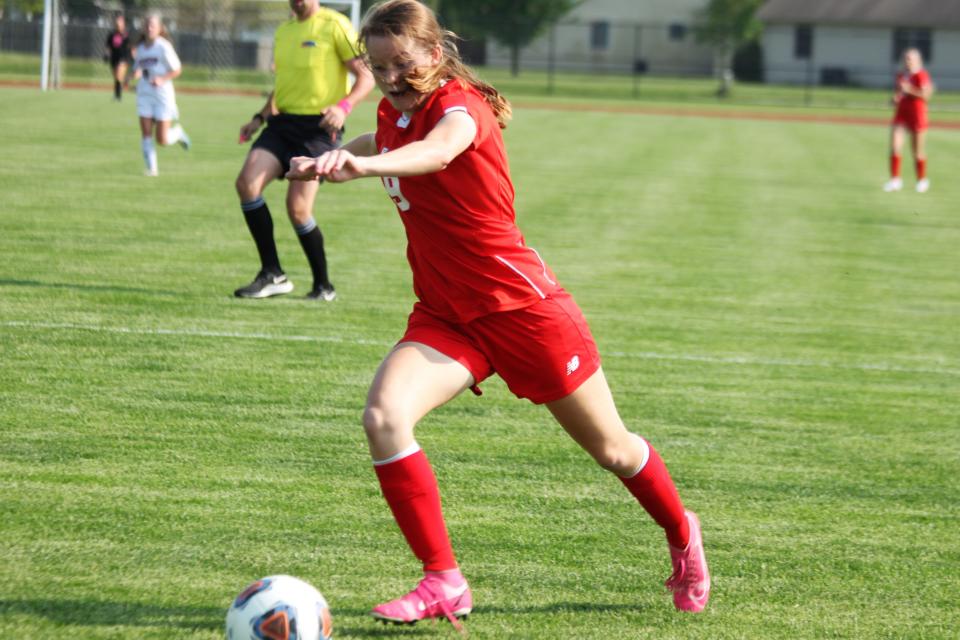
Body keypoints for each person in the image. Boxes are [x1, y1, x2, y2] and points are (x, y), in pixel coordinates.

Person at [286, 0, 710, 627]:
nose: (390, 77)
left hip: (522, 310)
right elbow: (384, 135)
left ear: (434, 53)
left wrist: (367, 165)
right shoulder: (390, 109)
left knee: (615, 452)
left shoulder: (461, 106)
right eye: (377, 66)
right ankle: (444, 582)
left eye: (401, 63)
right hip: (447, 313)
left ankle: (682, 533)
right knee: (383, 417)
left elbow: (438, 149)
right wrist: (334, 159)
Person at [232, 0, 374, 301]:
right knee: (247, 184)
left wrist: (343, 107)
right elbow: (283, 86)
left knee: (297, 209)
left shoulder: (334, 24)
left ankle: (323, 286)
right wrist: (258, 119)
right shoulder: (283, 31)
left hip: (318, 129)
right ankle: (272, 273)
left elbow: (367, 75)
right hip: (281, 125)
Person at [130, 12, 191, 177]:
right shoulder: (140, 48)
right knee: (146, 132)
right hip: (144, 94)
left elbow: (177, 69)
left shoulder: (163, 46)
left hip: (162, 96)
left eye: (153, 26)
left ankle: (177, 133)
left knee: (162, 139)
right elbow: (138, 68)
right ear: (143, 28)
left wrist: (162, 79)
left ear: (159, 29)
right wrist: (132, 75)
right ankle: (152, 169)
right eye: (147, 25)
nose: (149, 28)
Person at [884, 48, 934, 193]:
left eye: (910, 59)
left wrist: (909, 89)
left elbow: (926, 96)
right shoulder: (901, 76)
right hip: (901, 114)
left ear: (918, 60)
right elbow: (899, 94)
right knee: (895, 146)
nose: (907, 61)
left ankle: (922, 180)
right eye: (905, 58)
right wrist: (894, 99)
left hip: (917, 115)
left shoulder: (922, 75)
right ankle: (895, 180)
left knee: (917, 151)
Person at [104, 13, 134, 102]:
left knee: (118, 76)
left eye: (120, 21)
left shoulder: (127, 35)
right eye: (116, 21)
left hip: (124, 58)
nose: (118, 23)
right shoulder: (111, 35)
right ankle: (117, 94)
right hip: (114, 58)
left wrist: (133, 57)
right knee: (117, 78)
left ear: (123, 23)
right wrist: (106, 54)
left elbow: (132, 47)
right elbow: (108, 47)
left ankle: (119, 96)